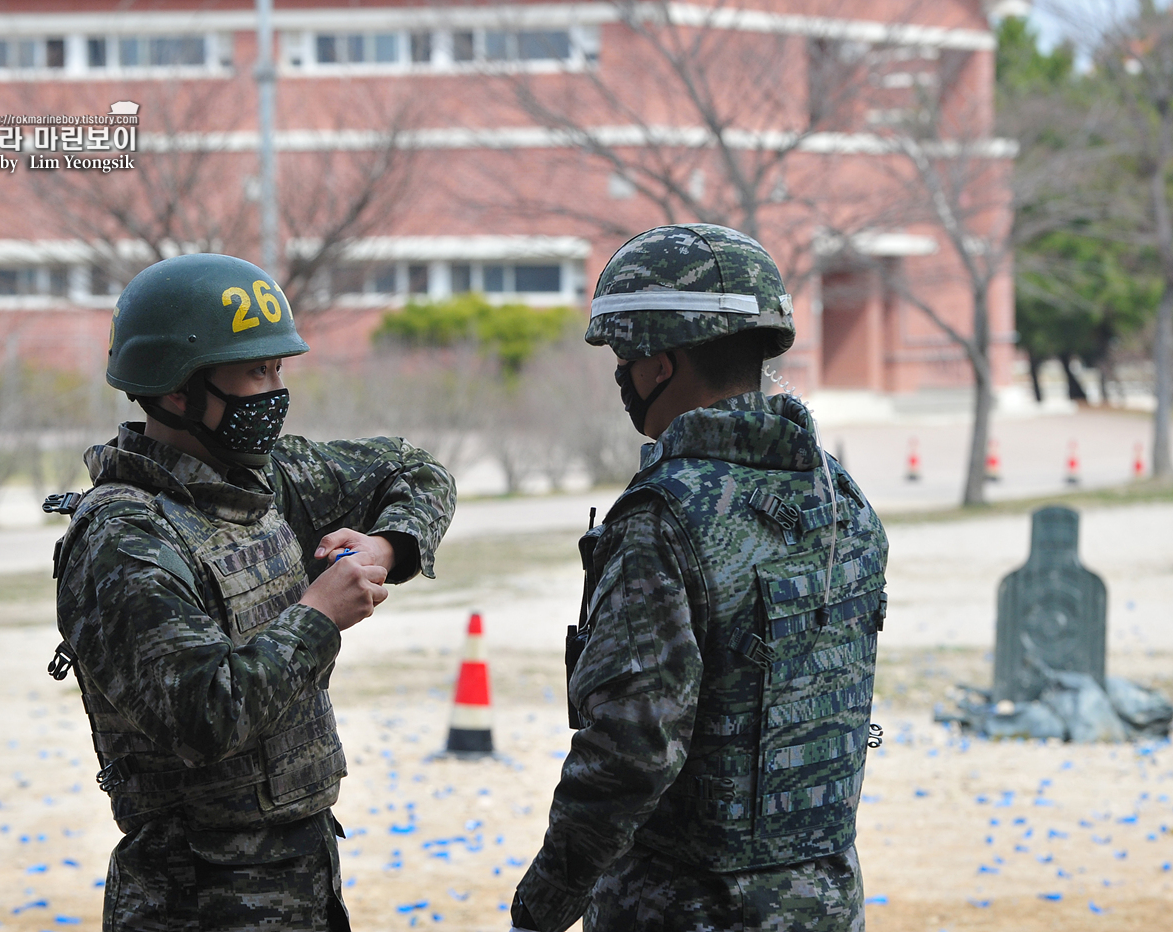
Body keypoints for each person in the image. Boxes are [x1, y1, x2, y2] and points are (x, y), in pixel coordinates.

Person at [45, 252, 455, 932]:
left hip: (302, 879)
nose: (274, 390)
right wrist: (319, 615)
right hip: (195, 901)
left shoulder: (266, 480)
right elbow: (206, 717)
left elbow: (415, 470)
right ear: (178, 390)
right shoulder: (123, 541)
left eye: (277, 369)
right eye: (254, 372)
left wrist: (390, 545)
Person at [509, 224, 889, 932]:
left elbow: (631, 750)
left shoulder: (663, 517)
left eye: (624, 357)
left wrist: (546, 901)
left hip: (684, 907)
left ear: (658, 364)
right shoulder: (842, 496)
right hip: (828, 901)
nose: (622, 375)